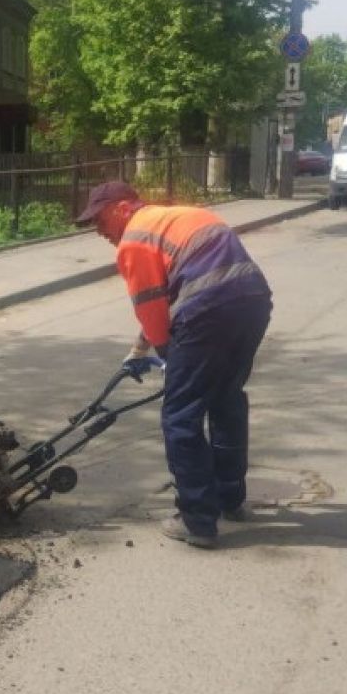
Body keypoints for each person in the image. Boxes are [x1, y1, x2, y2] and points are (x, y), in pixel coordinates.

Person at [76, 181, 272, 548]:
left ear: (121, 208)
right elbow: (170, 294)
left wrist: (171, 358)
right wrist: (139, 350)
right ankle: (231, 499)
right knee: (226, 400)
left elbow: (153, 309)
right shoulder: (182, 216)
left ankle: (197, 519)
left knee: (180, 414)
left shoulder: (135, 239)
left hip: (207, 312)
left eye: (100, 220)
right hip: (253, 303)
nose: (99, 230)